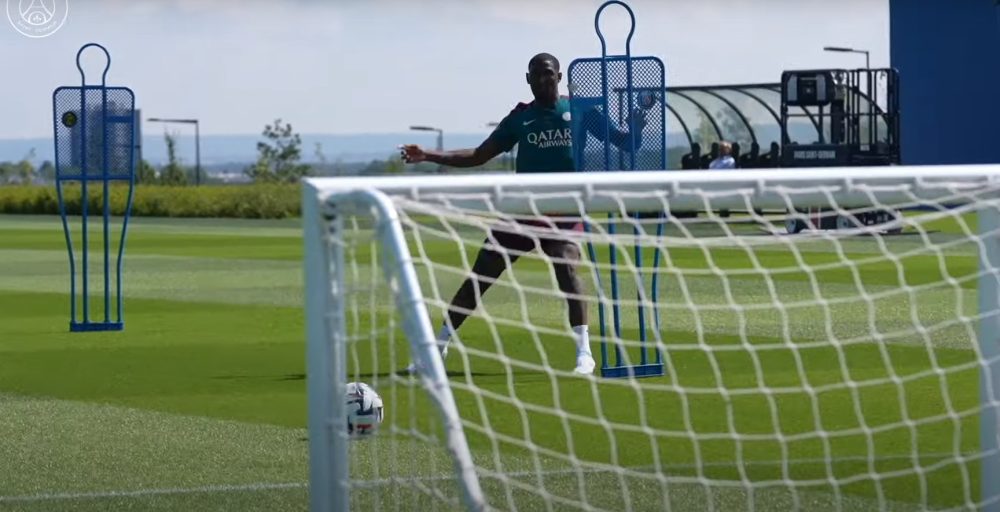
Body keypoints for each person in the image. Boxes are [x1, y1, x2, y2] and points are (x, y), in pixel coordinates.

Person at [399, 52, 645, 376]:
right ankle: (437, 349)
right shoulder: (520, 117)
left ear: (559, 77)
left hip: (563, 211)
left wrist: (638, 122)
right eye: (536, 75)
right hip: (522, 212)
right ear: (527, 80)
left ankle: (584, 353)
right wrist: (429, 154)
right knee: (480, 276)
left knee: (567, 270)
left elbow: (626, 143)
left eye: (548, 73)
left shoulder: (581, 110)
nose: (542, 80)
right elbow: (479, 154)